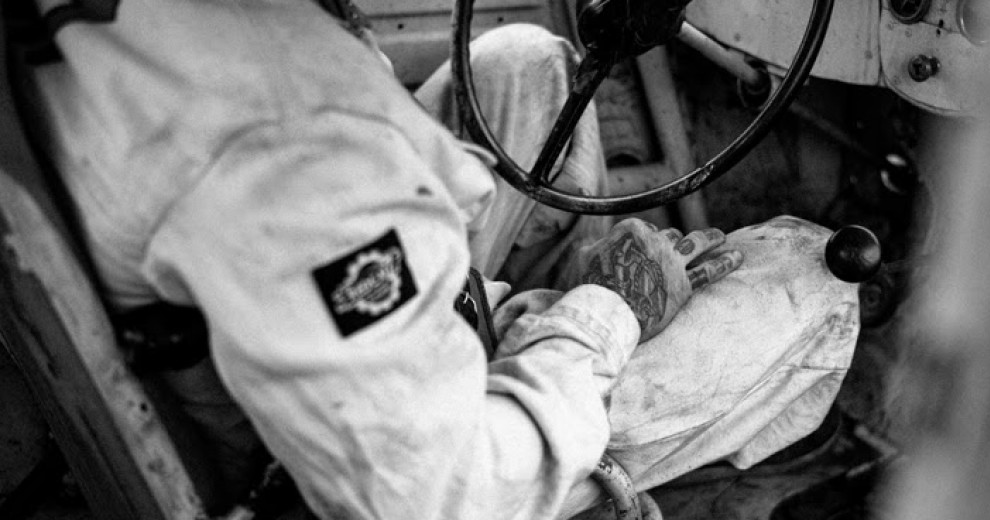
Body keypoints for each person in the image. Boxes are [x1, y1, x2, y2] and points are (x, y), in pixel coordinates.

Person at [24, 1, 860, 518]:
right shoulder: (291, 156)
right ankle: (708, 463)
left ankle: (558, 328)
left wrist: (476, 244)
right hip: (410, 469)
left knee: (524, 64)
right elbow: (444, 498)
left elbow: (346, 219)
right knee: (809, 273)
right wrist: (608, 314)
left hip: (305, 324)